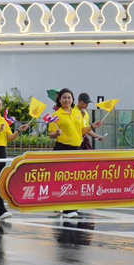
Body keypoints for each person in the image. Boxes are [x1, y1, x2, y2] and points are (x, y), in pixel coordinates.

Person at [48, 88, 85, 218]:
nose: (67, 100)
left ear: (73, 99)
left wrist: (93, 126)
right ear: (59, 100)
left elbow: (82, 130)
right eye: (64, 97)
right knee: (65, 178)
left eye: (69, 97)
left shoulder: (77, 113)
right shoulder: (56, 115)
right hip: (63, 148)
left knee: (75, 178)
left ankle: (70, 205)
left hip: (77, 149)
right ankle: (68, 208)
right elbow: (50, 134)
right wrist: (56, 133)